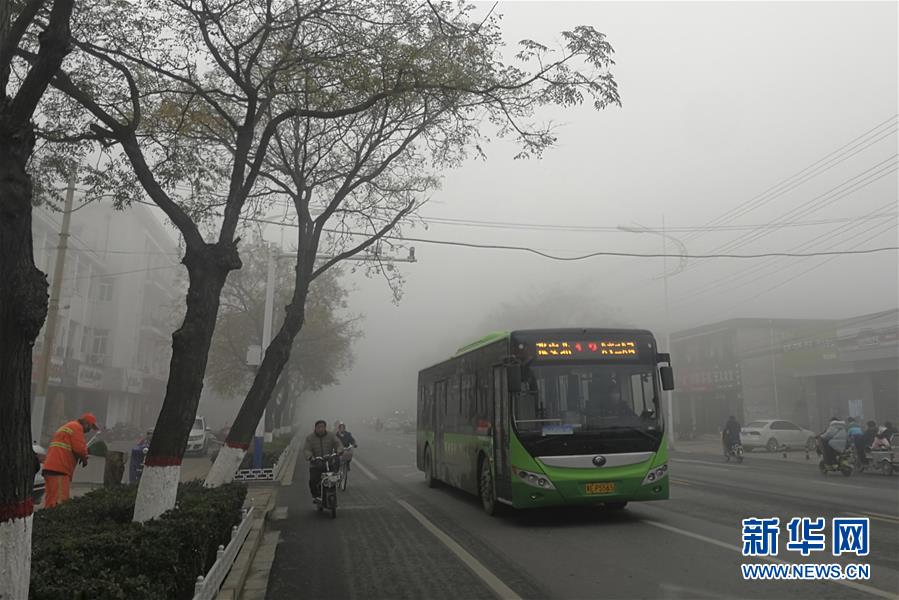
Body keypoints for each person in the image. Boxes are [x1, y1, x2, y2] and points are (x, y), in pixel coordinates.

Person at [42, 413, 100, 508]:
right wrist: (84, 457)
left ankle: (48, 520)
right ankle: (57, 521)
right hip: (60, 469)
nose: (89, 430)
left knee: (51, 500)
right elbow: (79, 448)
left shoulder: (68, 426)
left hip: (50, 468)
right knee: (60, 501)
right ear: (86, 423)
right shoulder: (77, 428)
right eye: (90, 426)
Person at [303, 420, 344, 503]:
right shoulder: (310, 438)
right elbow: (307, 450)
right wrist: (310, 457)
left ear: (325, 427)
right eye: (319, 427)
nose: (321, 429)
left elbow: (338, 444)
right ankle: (315, 496)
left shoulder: (331, 436)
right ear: (315, 428)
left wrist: (339, 451)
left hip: (329, 462)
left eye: (323, 427)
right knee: (313, 480)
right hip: (316, 463)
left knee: (333, 478)